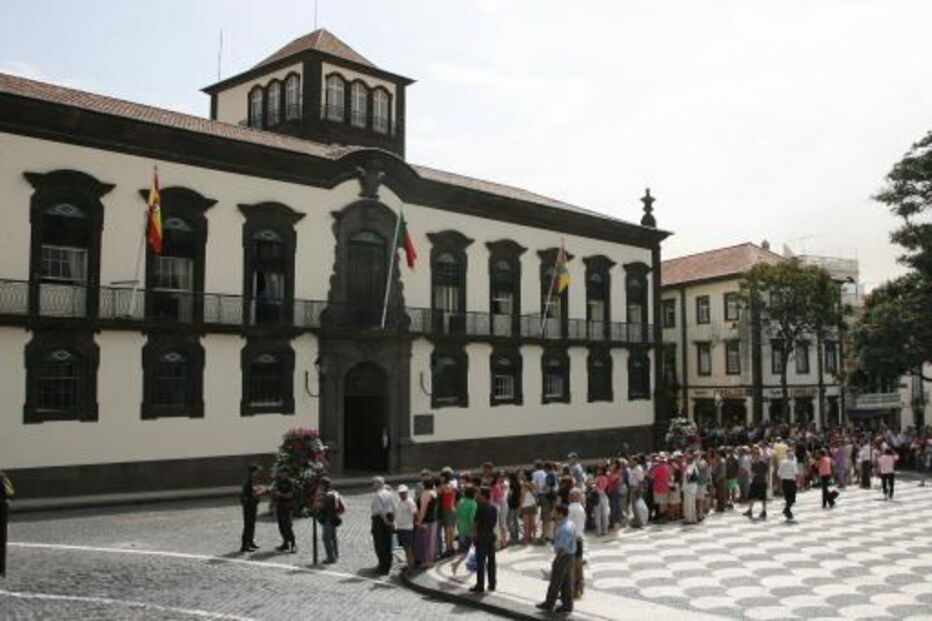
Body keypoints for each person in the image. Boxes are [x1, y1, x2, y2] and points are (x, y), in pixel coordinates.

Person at [537, 504, 576, 614]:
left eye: (555, 512)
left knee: (556, 580)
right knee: (567, 582)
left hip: (563, 557)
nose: (553, 513)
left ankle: (549, 603)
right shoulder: (569, 523)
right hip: (569, 556)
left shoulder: (565, 528)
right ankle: (567, 604)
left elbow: (562, 548)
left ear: (560, 514)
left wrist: (557, 559)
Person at [471, 487, 498, 593]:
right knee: (491, 562)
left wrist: (474, 536)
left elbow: (476, 523)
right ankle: (492, 584)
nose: (477, 496)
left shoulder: (480, 507)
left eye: (479, 494)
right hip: (491, 536)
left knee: (480, 562)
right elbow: (494, 523)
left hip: (481, 537)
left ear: (483, 495)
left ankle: (480, 585)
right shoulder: (493, 507)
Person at [370, 476, 396, 575]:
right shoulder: (389, 493)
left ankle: (382, 567)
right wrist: (392, 521)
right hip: (389, 518)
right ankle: (387, 565)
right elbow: (394, 507)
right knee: (388, 543)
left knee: (380, 544)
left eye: (373, 483)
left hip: (380, 521)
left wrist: (386, 522)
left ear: (378, 484)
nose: (372, 485)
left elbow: (380, 511)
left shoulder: (378, 495)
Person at [317, 477, 343, 564]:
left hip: (328, 518)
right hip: (334, 518)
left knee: (326, 538)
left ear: (323, 486)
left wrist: (318, 500)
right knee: (333, 538)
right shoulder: (334, 493)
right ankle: (335, 555)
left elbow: (321, 507)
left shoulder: (327, 496)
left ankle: (330, 557)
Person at [240, 463, 264, 553]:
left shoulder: (249, 479)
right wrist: (261, 491)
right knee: (248, 526)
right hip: (249, 506)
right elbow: (251, 494)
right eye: (257, 471)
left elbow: (250, 490)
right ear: (254, 471)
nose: (258, 473)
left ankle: (250, 542)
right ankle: (245, 545)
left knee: (251, 525)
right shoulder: (249, 480)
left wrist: (256, 488)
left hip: (250, 505)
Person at [414, 478, 438, 567]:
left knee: (425, 541)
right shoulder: (434, 492)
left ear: (424, 486)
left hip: (426, 521)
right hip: (433, 520)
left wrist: (419, 521)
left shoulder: (426, 494)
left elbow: (423, 509)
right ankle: (430, 560)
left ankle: (425, 561)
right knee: (431, 541)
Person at [567, 489, 586, 599]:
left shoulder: (571, 508)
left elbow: (567, 523)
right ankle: (580, 588)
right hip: (579, 538)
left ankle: (573, 590)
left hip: (571, 539)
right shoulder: (581, 508)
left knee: (571, 565)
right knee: (578, 565)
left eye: (570, 495)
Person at [272, 469, 297, 553]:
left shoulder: (290, 482)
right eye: (281, 472)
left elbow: (290, 495)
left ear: (287, 473)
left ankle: (293, 544)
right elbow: (275, 492)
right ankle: (285, 543)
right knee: (281, 526)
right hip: (279, 506)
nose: (282, 474)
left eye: (283, 472)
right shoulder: (278, 482)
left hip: (287, 507)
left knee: (288, 526)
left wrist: (280, 495)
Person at [395, 484, 417, 570]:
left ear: (407, 493)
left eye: (403, 493)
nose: (402, 494)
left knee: (409, 549)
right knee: (405, 548)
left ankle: (411, 566)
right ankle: (409, 564)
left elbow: (415, 514)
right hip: (400, 528)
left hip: (408, 528)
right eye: (400, 493)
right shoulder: (399, 501)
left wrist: (414, 524)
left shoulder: (410, 502)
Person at [744, 447, 768, 520]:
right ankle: (750, 510)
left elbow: (766, 473)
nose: (755, 456)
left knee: (762, 498)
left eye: (756, 454)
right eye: (754, 455)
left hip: (760, 482)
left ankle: (763, 511)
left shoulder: (762, 463)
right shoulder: (754, 463)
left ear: (758, 455)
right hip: (755, 482)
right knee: (752, 497)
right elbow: (752, 472)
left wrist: (767, 482)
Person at [777, 452, 798, 520]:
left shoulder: (782, 462)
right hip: (791, 481)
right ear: (792, 456)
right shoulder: (793, 463)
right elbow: (796, 472)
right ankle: (786, 509)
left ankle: (787, 510)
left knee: (787, 497)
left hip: (785, 482)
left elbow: (779, 473)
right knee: (792, 498)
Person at [0, 470, 12, 577]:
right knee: (2, 541)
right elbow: (11, 492)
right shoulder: (3, 476)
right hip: (3, 509)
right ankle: (2, 570)